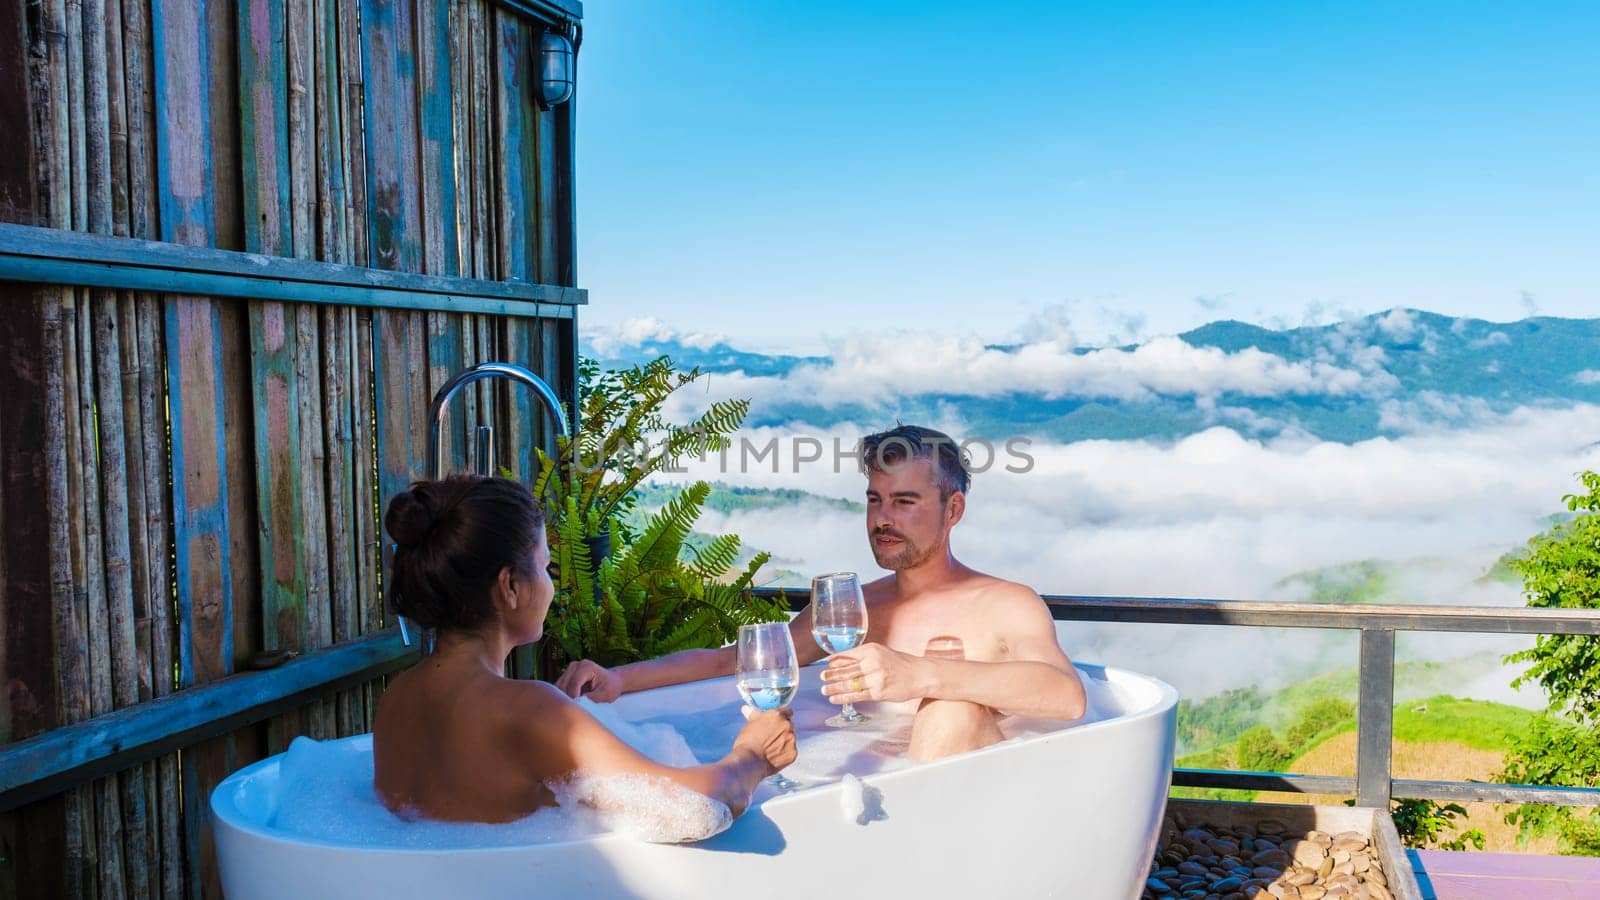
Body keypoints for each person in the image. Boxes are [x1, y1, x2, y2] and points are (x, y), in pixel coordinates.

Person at [557, 425, 1086, 760]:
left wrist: (920, 674)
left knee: (951, 711)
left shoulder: (1005, 603)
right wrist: (618, 679)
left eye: (904, 501)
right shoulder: (855, 611)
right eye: (875, 499)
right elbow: (734, 665)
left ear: (953, 511)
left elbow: (1067, 696)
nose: (882, 518)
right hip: (871, 800)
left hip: (969, 817)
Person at [371, 475, 796, 824]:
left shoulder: (394, 702)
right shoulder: (527, 709)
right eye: (545, 565)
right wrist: (753, 756)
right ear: (511, 587)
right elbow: (698, 806)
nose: (552, 582)